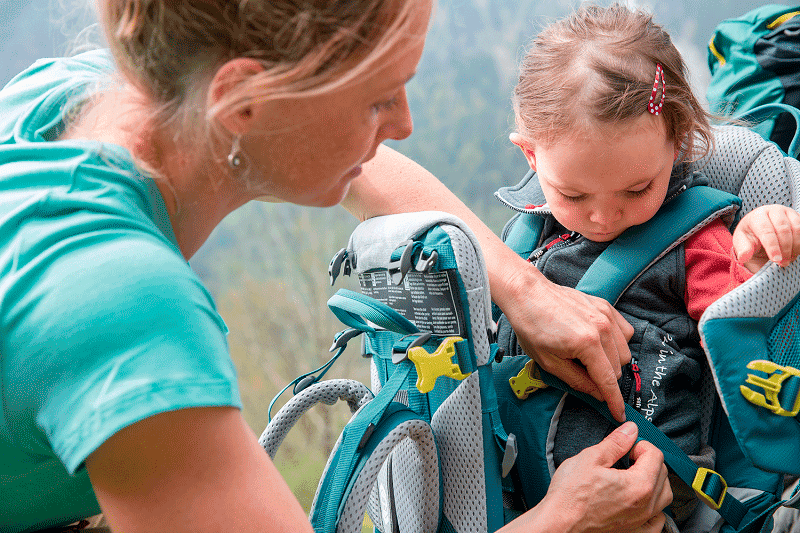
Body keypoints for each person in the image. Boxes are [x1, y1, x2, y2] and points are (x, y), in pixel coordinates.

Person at [0, 1, 672, 532]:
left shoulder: (81, 101)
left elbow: (366, 165)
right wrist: (563, 518)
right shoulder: (121, 306)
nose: (404, 124)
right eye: (378, 99)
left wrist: (525, 289)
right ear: (244, 101)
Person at [485, 3, 800, 528]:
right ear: (530, 157)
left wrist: (760, 241)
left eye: (637, 189)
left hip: (650, 486)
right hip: (523, 491)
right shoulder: (516, 244)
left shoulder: (694, 234)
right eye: (573, 193)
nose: (604, 217)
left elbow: (745, 313)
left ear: (678, 143)